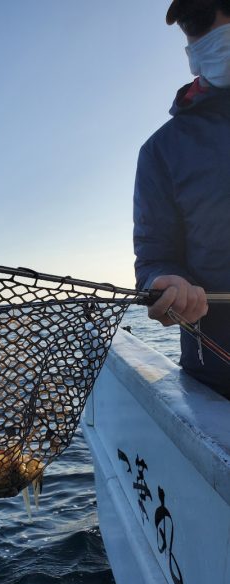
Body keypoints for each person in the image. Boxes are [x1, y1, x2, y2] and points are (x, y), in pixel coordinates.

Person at [133, 0, 230, 399]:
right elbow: (154, 257)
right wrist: (163, 283)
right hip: (218, 381)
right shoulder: (161, 150)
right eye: (199, 17)